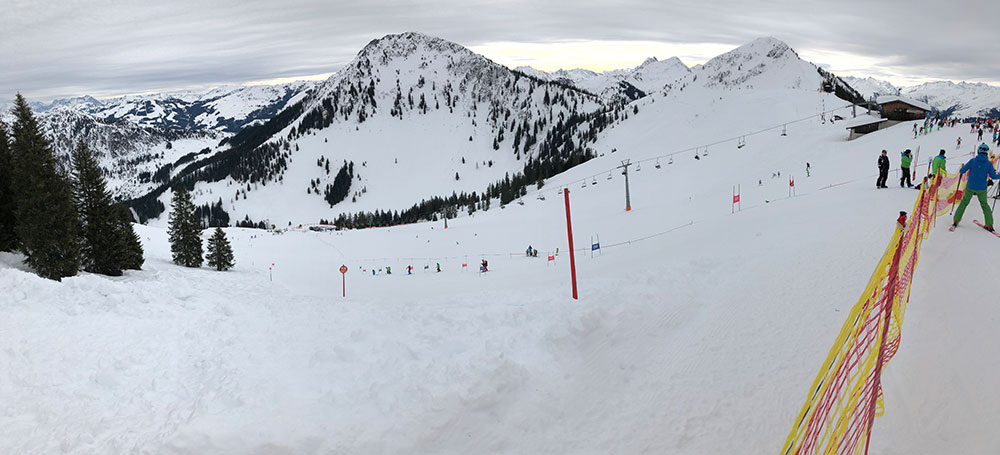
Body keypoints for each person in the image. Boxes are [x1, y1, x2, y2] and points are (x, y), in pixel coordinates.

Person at [953, 144, 1000, 231]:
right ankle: (989, 224)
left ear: (978, 151)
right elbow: (993, 176)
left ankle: (956, 220)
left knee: (964, 203)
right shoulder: (989, 164)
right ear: (986, 153)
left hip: (970, 186)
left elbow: (962, 171)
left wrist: (963, 168)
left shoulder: (972, 161)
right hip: (982, 188)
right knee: (984, 205)